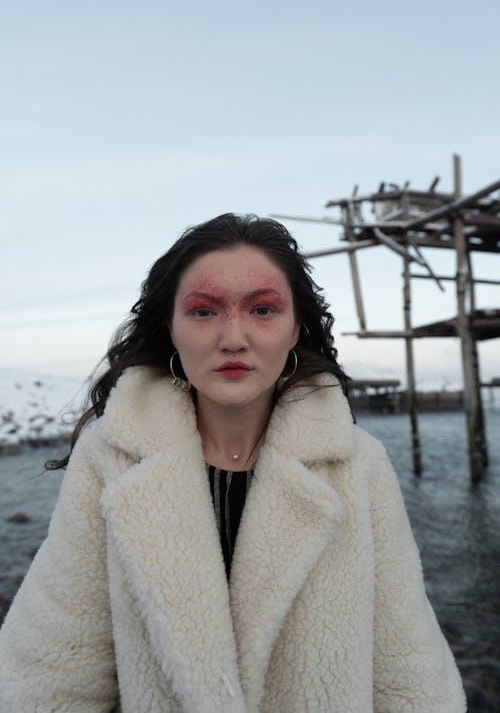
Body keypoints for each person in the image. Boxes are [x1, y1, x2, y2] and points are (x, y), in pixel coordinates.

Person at [0, 214, 465, 712]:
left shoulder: (358, 463)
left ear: (295, 330)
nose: (233, 337)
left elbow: (408, 671)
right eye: (203, 312)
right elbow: (49, 673)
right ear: (170, 328)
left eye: (263, 309)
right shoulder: (109, 460)